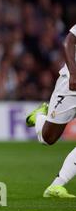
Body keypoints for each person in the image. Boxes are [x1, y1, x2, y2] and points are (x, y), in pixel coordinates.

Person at [26, 24, 76, 198]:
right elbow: (68, 42)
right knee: (48, 138)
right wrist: (74, 73)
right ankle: (39, 116)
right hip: (71, 85)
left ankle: (56, 186)